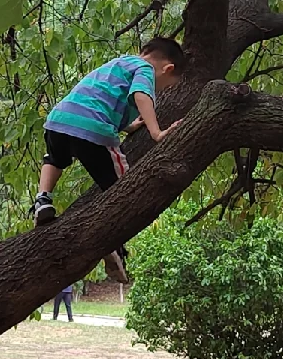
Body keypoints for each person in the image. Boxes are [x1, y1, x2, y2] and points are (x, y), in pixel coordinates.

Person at [31, 37, 187, 283]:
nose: (160, 90)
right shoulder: (145, 69)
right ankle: (111, 241)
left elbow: (103, 99)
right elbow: (140, 95)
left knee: (55, 159)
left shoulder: (119, 64)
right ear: (167, 69)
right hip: (93, 130)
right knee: (127, 190)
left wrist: (128, 126)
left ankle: (42, 200)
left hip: (59, 121)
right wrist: (156, 132)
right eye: (164, 87)